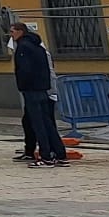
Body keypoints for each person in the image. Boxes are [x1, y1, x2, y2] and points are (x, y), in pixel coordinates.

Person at [10, 22, 67, 167]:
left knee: (38, 124)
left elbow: (25, 70)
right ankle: (60, 155)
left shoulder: (23, 47)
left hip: (32, 90)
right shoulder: (39, 47)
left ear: (20, 31)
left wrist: (23, 85)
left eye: (12, 32)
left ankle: (46, 156)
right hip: (44, 89)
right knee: (47, 123)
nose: (11, 35)